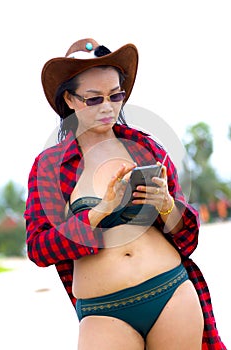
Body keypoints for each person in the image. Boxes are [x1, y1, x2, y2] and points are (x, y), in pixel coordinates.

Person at [24, 38, 226, 349]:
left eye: (115, 95)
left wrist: (167, 206)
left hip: (171, 291)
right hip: (104, 311)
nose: (108, 107)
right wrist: (98, 212)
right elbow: (38, 248)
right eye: (94, 99)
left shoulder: (147, 147)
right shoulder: (49, 166)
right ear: (70, 100)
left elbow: (186, 234)